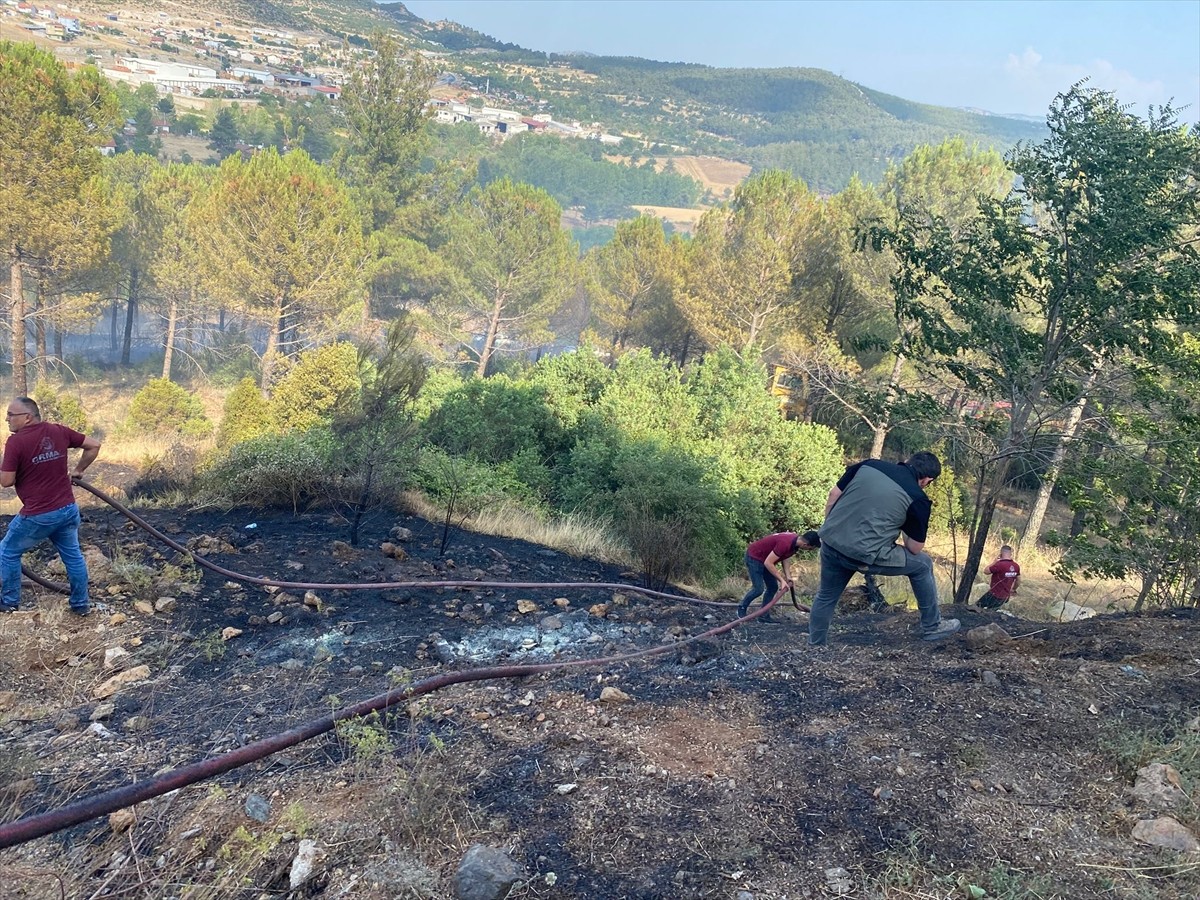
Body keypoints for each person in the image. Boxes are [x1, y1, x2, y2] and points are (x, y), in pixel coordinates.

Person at [808, 451, 960, 645]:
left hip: (830, 542)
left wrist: (833, 529)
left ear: (906, 462)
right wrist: (906, 523)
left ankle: (816, 646)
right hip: (865, 555)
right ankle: (932, 626)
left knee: (826, 595)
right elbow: (914, 548)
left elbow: (833, 495)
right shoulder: (918, 498)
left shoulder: (868, 465)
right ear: (926, 480)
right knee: (923, 565)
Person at [0, 397, 101, 615]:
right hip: (67, 509)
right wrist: (79, 469)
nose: (7, 418)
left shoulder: (16, 442)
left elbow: (6, 481)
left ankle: (9, 603)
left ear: (27, 417)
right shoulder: (58, 431)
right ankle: (81, 605)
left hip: (38, 514)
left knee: (7, 552)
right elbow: (94, 445)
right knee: (73, 556)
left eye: (11, 414)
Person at [737, 530, 821, 623]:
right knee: (758, 589)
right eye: (810, 549)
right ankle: (741, 608)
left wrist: (788, 576)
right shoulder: (785, 543)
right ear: (806, 545)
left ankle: (763, 616)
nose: (809, 551)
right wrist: (781, 580)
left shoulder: (795, 544)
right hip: (755, 557)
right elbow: (768, 563)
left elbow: (785, 557)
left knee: (773, 587)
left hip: (765, 559)